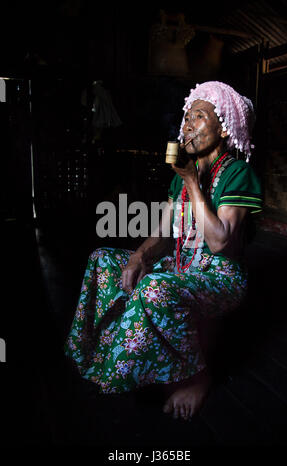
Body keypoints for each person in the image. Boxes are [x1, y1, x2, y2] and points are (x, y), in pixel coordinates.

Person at [64, 81, 263, 421]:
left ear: (225, 128)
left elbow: (219, 242)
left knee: (156, 288)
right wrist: (140, 257)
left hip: (219, 276)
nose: (187, 123)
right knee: (104, 260)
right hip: (182, 267)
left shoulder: (237, 174)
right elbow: (164, 234)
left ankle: (196, 376)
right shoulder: (180, 178)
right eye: (187, 115)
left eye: (199, 116)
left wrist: (190, 181)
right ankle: (102, 352)